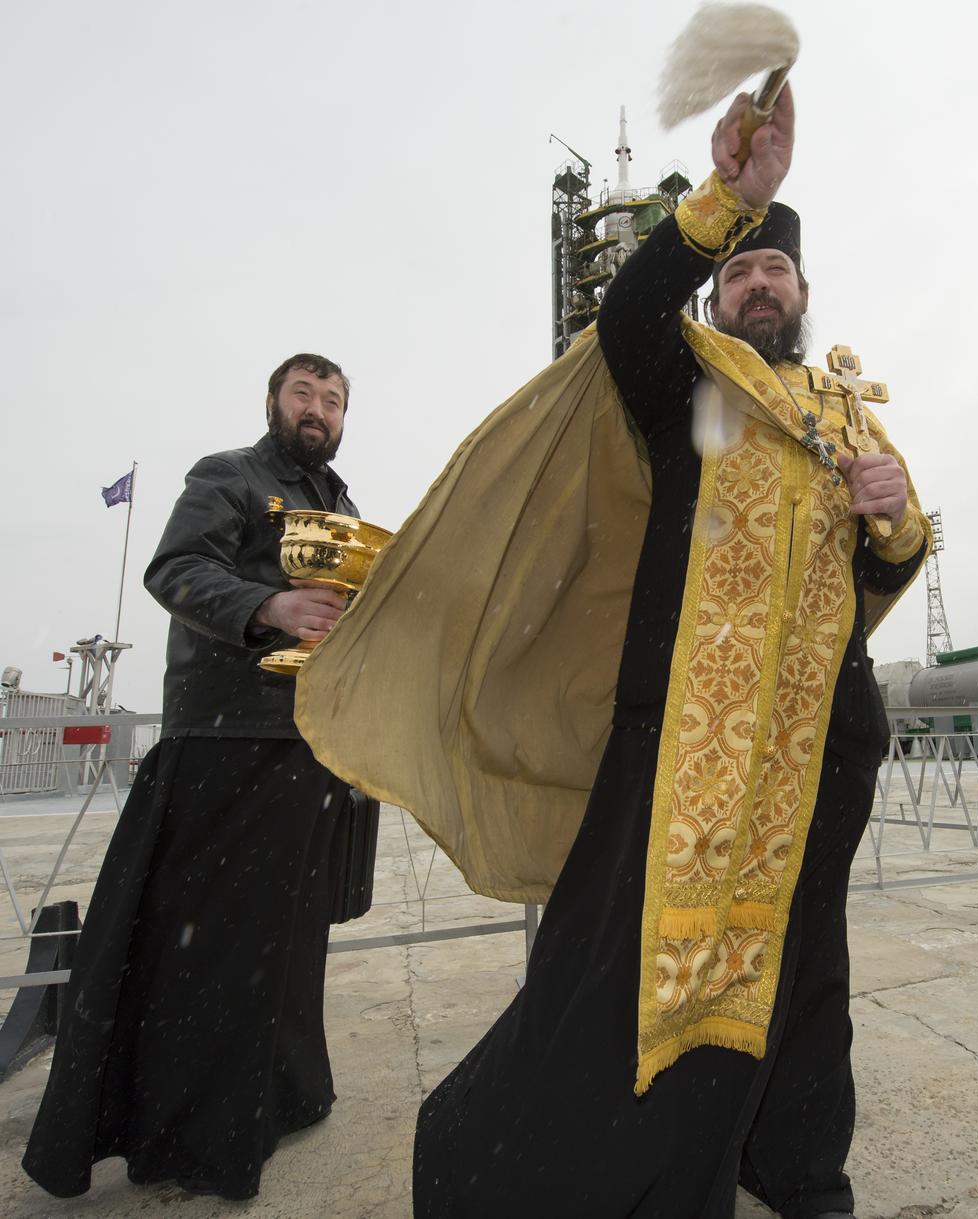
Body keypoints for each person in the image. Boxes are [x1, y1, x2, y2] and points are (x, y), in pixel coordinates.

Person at [297, 85, 928, 1219]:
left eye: (771, 271)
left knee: (803, 964)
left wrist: (892, 521)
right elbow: (628, 312)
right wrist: (730, 199)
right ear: (720, 293)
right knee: (624, 968)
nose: (756, 284)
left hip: (821, 743)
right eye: (739, 272)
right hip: (676, 736)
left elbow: (868, 581)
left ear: (800, 289)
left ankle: (791, 1162)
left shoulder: (849, 416)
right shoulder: (685, 381)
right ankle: (578, 1173)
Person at [23, 354, 359, 1200]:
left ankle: (282, 1096)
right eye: (303, 393)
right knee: (211, 950)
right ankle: (197, 1134)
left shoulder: (343, 508)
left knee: (286, 941)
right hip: (226, 740)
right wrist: (267, 606)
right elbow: (174, 568)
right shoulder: (231, 477)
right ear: (274, 402)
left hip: (309, 744)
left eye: (332, 399)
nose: (316, 409)